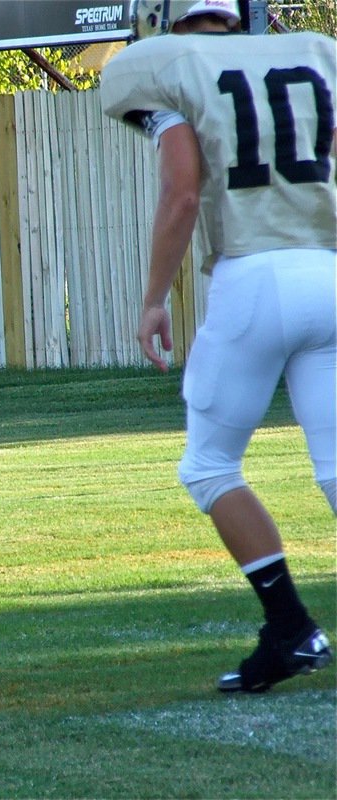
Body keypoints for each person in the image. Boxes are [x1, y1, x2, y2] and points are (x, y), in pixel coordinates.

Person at [101, 0, 335, 693]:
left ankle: (291, 628)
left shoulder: (171, 66)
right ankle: (290, 633)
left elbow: (181, 191)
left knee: (208, 466)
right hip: (328, 269)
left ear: (164, 15)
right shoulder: (313, 52)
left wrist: (152, 300)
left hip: (253, 278)